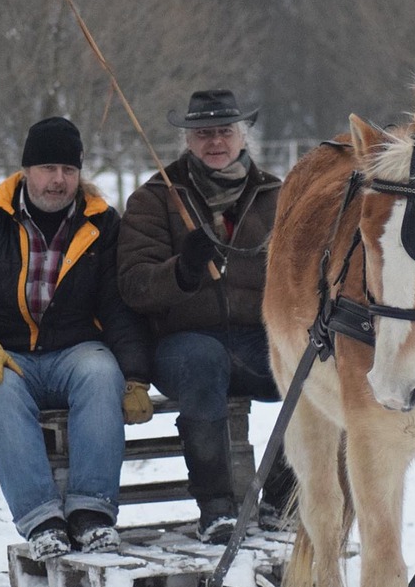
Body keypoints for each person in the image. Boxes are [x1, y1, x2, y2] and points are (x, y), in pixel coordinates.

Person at [0, 116, 154, 561]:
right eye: (48, 168)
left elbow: (118, 305)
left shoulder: (102, 225)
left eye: (68, 171)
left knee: (101, 374)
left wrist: (134, 375)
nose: (58, 180)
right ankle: (42, 519)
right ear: (26, 170)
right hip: (5, 351)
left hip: (75, 349)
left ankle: (92, 513)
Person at [117, 89, 295, 544]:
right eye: (203, 134)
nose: (215, 142)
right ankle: (216, 508)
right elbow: (134, 286)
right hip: (183, 344)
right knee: (201, 361)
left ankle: (282, 499)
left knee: (314, 368)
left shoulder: (278, 196)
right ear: (188, 141)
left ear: (242, 136)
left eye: (224, 131)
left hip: (258, 339)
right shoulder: (155, 197)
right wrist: (183, 270)